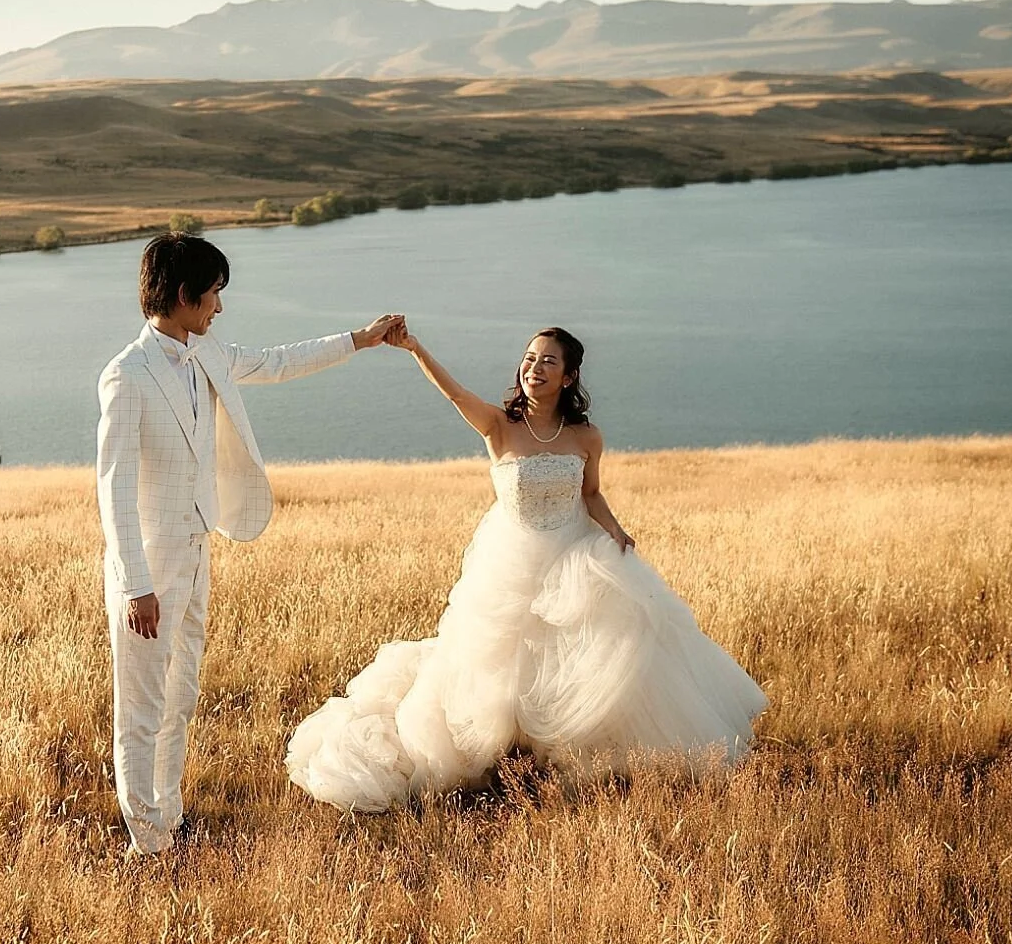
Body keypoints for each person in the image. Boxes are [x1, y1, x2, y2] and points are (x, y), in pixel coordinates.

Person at [286, 324, 767, 812]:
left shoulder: (586, 437)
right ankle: (504, 754)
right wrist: (414, 348)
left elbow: (591, 494)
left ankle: (562, 751)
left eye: (547, 362)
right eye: (530, 359)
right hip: (511, 559)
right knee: (502, 658)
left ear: (568, 376)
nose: (534, 369)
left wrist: (616, 531)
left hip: (575, 552)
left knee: (603, 648)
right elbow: (453, 393)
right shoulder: (499, 426)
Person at [96, 232, 401, 855]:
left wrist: (360, 340)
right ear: (183, 296)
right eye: (213, 295)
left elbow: (277, 361)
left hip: (197, 552)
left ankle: (171, 819)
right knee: (141, 710)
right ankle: (146, 842)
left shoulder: (205, 352)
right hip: (148, 575)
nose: (219, 308)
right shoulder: (126, 376)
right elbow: (114, 490)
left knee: (181, 698)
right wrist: (137, 586)